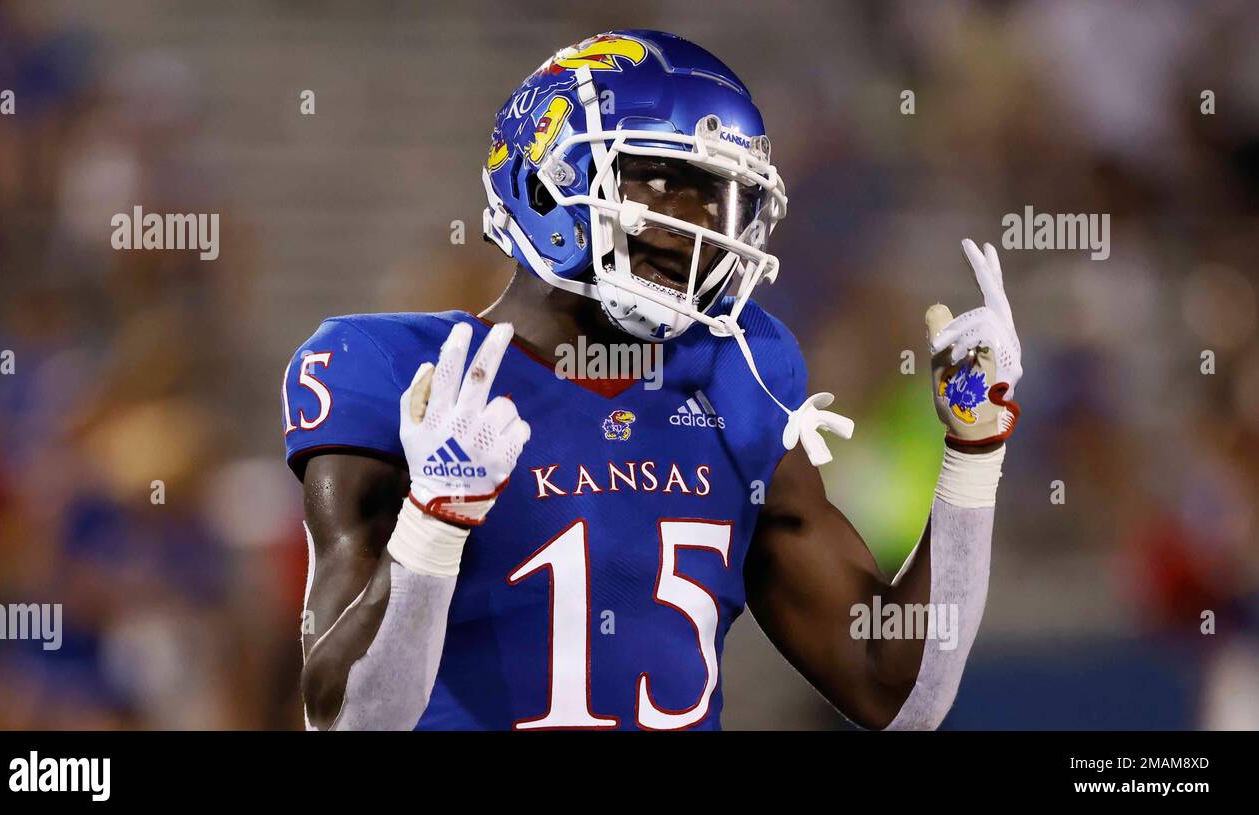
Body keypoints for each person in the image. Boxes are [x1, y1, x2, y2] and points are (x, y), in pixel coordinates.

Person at [280, 30, 1022, 730]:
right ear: (548, 180)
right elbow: (346, 718)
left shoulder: (742, 376)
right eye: (663, 182)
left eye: (718, 195)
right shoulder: (398, 372)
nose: (697, 222)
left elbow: (897, 693)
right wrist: (433, 523)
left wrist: (973, 450)